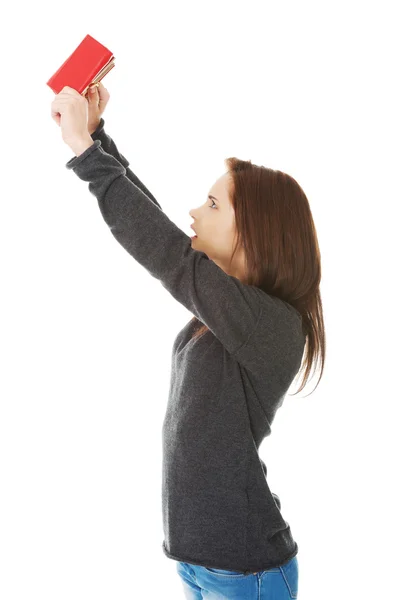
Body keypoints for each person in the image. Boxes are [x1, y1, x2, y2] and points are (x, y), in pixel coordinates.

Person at [66, 82, 325, 599]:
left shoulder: (268, 324)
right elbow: (159, 230)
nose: (194, 212)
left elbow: (166, 252)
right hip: (203, 565)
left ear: (254, 233)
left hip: (245, 572)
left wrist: (85, 154)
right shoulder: (229, 312)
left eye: (212, 203)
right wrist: (98, 138)